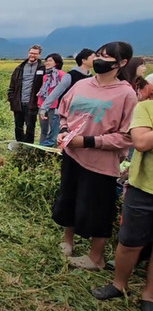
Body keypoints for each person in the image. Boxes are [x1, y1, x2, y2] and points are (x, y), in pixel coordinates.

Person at [52, 41, 138, 270]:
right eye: (98, 54)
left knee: (97, 208)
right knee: (68, 198)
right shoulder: (81, 86)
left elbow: (127, 136)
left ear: (122, 63)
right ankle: (67, 241)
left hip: (100, 164)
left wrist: (89, 141)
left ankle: (95, 257)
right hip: (72, 156)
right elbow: (63, 113)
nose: (100, 59)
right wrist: (63, 132)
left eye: (107, 56)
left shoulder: (126, 94)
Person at [91, 99, 153, 309]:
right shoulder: (146, 108)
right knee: (129, 242)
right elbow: (142, 142)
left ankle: (149, 295)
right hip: (143, 188)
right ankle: (119, 284)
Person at [39, 48, 95, 121]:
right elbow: (57, 92)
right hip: (66, 114)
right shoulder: (70, 75)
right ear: (84, 60)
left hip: (83, 114)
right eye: (93, 57)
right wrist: (44, 108)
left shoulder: (91, 77)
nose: (96, 60)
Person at [7, 45, 46, 144]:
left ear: (39, 55)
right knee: (18, 126)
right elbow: (12, 85)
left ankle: (28, 147)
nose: (32, 55)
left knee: (30, 126)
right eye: (31, 53)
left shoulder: (42, 68)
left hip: (32, 102)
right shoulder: (19, 68)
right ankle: (19, 145)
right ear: (28, 53)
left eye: (35, 53)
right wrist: (11, 98)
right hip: (18, 102)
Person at [37, 53, 66, 147]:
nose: (47, 63)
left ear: (56, 63)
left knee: (54, 131)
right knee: (44, 130)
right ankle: (41, 149)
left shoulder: (62, 75)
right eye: (46, 61)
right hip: (42, 105)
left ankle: (54, 152)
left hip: (54, 107)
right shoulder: (45, 76)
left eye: (50, 61)